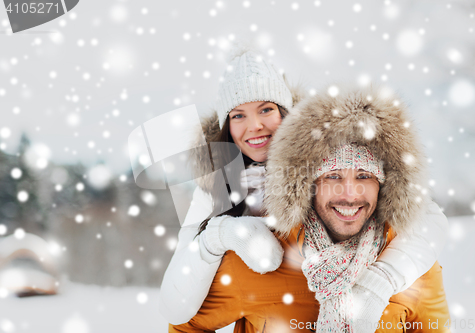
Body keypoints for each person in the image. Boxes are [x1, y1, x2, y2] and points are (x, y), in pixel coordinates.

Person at [160, 50, 449, 331]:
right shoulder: (216, 186)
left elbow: (427, 219)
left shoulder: (326, 140)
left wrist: (379, 281)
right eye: (238, 115)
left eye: (266, 109)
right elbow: (177, 309)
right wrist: (220, 234)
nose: (255, 126)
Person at [264, 86, 451, 332]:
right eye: (332, 176)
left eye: (364, 176)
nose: (350, 194)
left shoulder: (415, 270)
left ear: (384, 186)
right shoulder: (267, 259)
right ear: (309, 186)